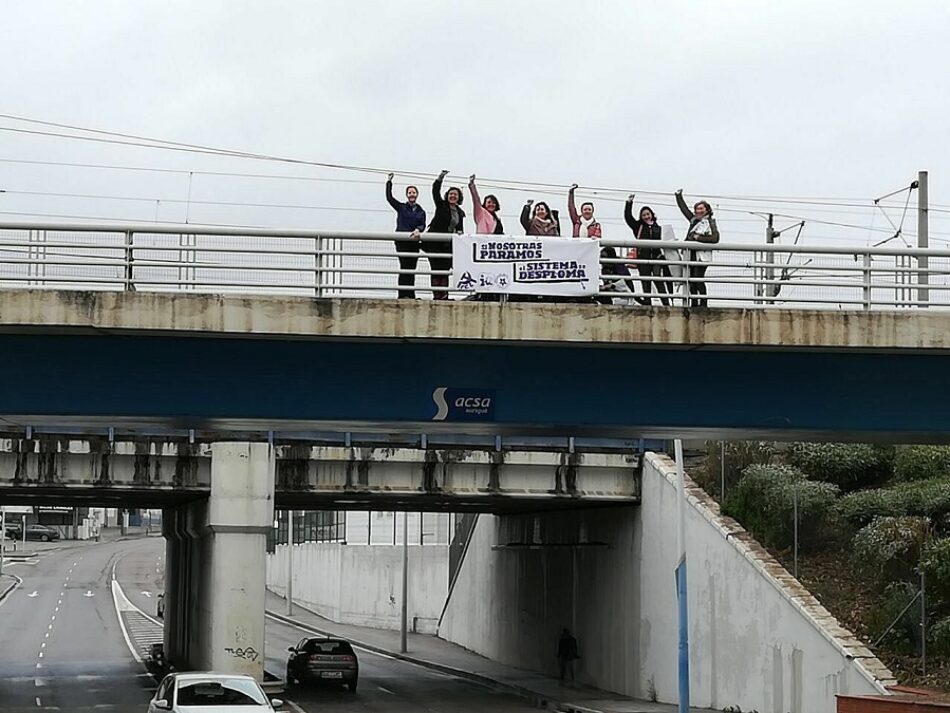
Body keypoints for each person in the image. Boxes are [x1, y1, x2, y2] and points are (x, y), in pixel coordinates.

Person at [624, 195, 672, 306]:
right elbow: (628, 218)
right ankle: (647, 303)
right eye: (644, 215)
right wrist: (629, 203)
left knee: (658, 279)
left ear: (652, 215)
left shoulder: (658, 228)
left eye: (648, 214)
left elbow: (665, 240)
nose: (646, 216)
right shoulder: (638, 226)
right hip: (643, 257)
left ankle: (666, 303)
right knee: (645, 281)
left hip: (656, 258)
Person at [675, 189, 720, 307]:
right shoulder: (694, 221)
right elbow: (684, 210)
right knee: (691, 280)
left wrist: (698, 238)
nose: (699, 211)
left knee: (698, 278)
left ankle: (703, 304)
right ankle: (694, 303)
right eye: (697, 209)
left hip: (702, 255)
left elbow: (715, 238)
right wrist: (678, 196)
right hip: (691, 254)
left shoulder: (710, 222)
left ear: (707, 210)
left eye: (701, 208)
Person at [385, 173, 427, 299]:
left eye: (414, 192)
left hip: (414, 242)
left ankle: (411, 294)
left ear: (417, 195)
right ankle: (403, 295)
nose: (412, 194)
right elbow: (389, 198)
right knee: (404, 267)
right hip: (402, 242)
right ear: (407, 195)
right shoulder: (401, 207)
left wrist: (418, 230)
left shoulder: (421, 211)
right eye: (409, 192)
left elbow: (422, 224)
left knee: (412, 268)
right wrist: (389, 182)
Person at [426, 170, 466, 300]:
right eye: (451, 194)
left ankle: (444, 295)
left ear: (459, 197)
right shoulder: (441, 205)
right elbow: (435, 191)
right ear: (447, 195)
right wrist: (440, 178)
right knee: (436, 269)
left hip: (448, 245)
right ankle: (437, 295)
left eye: (455, 194)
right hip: (435, 244)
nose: (453, 196)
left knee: (445, 270)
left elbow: (460, 228)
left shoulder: (460, 212)